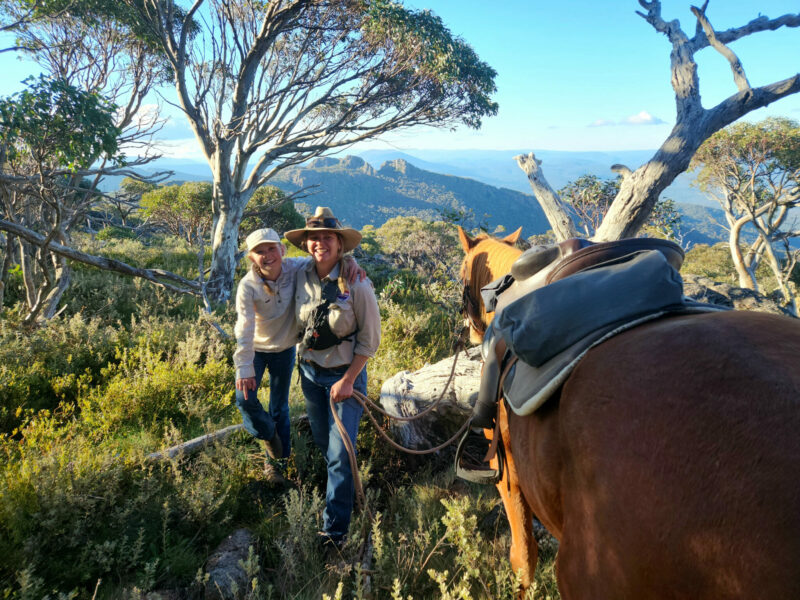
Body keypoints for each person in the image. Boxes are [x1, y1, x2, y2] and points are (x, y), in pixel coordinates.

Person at [233, 227, 363, 483]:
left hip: (285, 350)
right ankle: (269, 434)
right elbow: (244, 327)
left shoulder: (295, 268)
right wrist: (244, 365)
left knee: (279, 407)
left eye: (272, 248)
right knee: (244, 399)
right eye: (260, 251)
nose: (267, 255)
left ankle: (277, 464)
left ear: (282, 250)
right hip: (256, 350)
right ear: (251, 257)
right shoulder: (248, 286)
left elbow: (325, 258)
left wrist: (349, 261)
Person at [285, 207, 380, 548]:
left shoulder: (357, 283)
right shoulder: (298, 273)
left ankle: (334, 532)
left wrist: (349, 380)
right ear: (306, 244)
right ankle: (344, 492)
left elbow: (370, 341)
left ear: (340, 245)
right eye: (314, 238)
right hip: (310, 376)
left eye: (328, 237)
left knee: (340, 455)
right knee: (326, 445)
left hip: (344, 379)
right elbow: (267, 267)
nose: (320, 243)